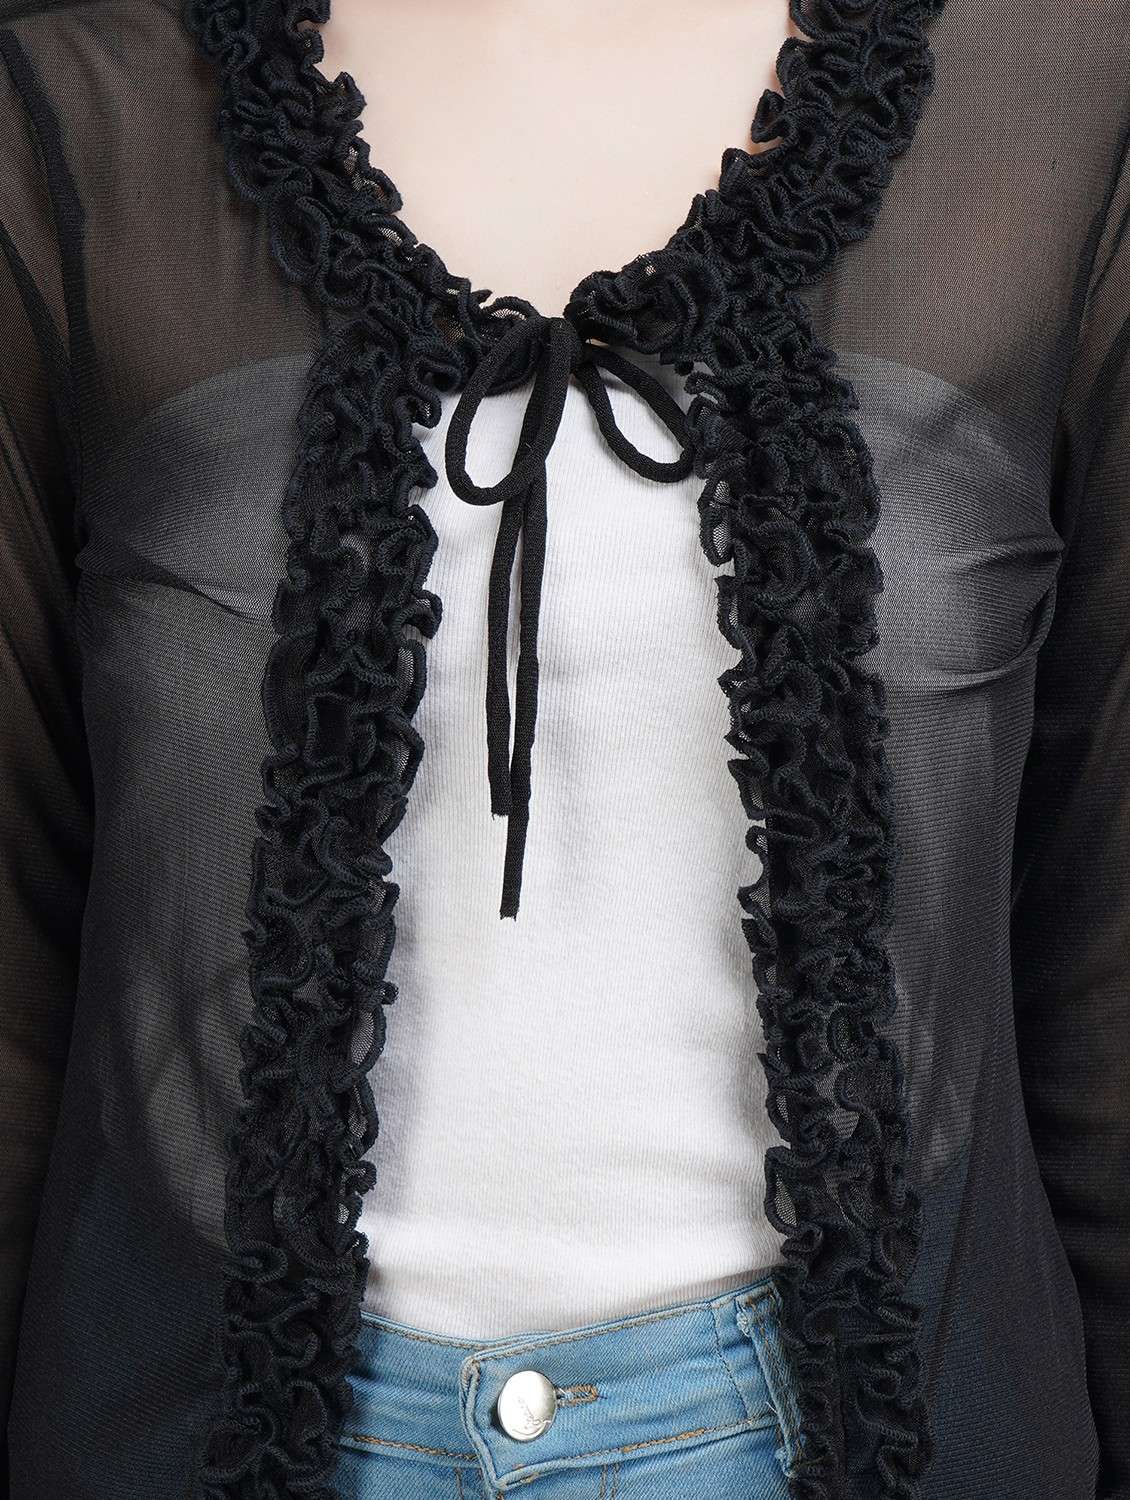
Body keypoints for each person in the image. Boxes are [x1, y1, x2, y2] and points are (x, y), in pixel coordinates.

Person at [0, 1, 1126, 1497]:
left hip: (879, 1429)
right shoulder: (78, 116)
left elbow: (1105, 954)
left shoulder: (1059, 104)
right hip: (201, 1433)